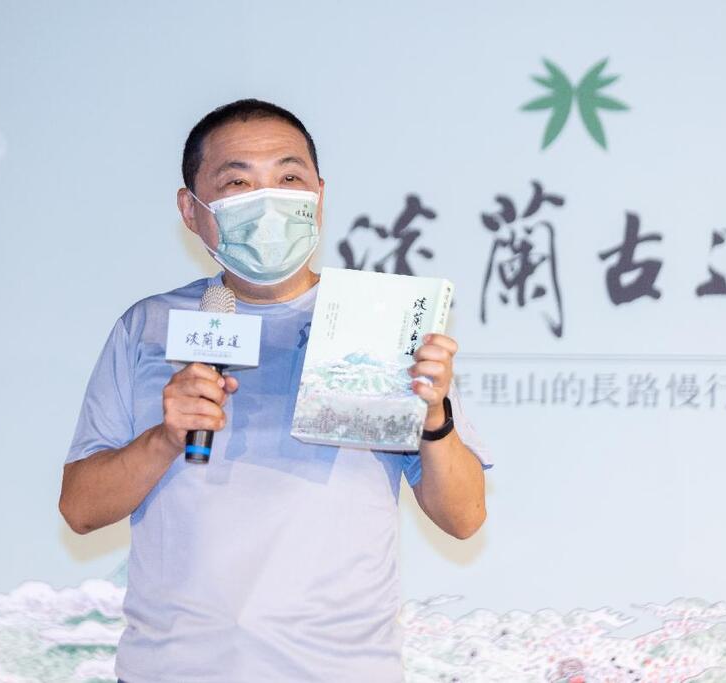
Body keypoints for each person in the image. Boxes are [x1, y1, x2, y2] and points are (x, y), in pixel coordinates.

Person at [58, 98, 491, 682]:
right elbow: (81, 509)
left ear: (318, 196)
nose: (268, 202)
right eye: (237, 183)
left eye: (288, 179)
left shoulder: (381, 323)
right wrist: (165, 438)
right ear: (191, 209)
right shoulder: (149, 327)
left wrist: (433, 416)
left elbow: (464, 517)